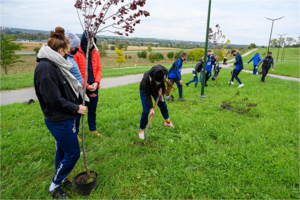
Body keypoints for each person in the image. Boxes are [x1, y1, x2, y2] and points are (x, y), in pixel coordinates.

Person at [34, 27, 88, 199]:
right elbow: (54, 99)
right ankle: (54, 185)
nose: (68, 55)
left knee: (62, 152)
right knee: (72, 153)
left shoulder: (53, 64)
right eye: (66, 51)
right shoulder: (46, 69)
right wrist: (76, 107)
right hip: (59, 119)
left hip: (64, 118)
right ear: (59, 51)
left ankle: (61, 177)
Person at [74, 31, 102, 137]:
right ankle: (75, 133)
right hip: (81, 87)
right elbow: (75, 74)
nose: (91, 42)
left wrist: (96, 82)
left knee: (92, 110)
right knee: (78, 110)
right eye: (89, 40)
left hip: (94, 86)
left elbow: (99, 69)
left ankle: (92, 130)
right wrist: (86, 85)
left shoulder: (96, 52)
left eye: (92, 40)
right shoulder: (77, 53)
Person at [139, 65, 174, 139]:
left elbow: (162, 83)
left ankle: (167, 122)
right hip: (145, 90)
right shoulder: (146, 78)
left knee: (163, 105)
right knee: (146, 111)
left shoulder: (165, 72)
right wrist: (151, 108)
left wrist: (160, 90)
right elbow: (147, 95)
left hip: (156, 89)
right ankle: (141, 130)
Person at [65, 30, 83, 142]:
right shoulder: (66, 59)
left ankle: (76, 133)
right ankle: (73, 134)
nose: (77, 49)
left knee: (78, 114)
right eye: (75, 46)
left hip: (78, 91)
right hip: (72, 92)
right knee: (75, 114)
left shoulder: (70, 57)